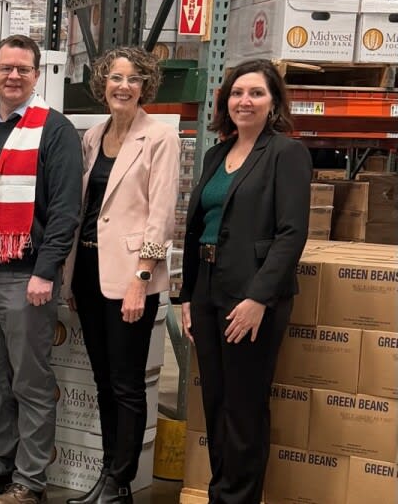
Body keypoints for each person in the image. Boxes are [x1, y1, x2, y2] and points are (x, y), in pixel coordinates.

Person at [0, 34, 82, 504]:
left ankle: (30, 482)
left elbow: (65, 210)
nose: (13, 76)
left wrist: (46, 271)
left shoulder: (55, 130)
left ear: (36, 75)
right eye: (5, 67)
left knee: (31, 384)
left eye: (23, 69)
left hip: (27, 277)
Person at [180, 59, 310, 504]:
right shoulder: (217, 154)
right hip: (207, 287)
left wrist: (259, 298)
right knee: (216, 403)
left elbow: (291, 233)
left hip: (251, 294)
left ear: (273, 102)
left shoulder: (286, 154)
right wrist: (187, 295)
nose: (244, 101)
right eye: (237, 93)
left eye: (256, 93)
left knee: (244, 407)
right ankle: (221, 494)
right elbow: (199, 227)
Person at [61, 47, 179, 504]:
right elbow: (88, 208)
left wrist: (142, 278)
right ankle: (109, 476)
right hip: (90, 272)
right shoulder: (93, 136)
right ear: (102, 84)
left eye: (133, 79)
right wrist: (71, 276)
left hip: (132, 278)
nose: (123, 86)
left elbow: (161, 217)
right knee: (104, 381)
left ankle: (119, 480)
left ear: (145, 85)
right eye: (115, 78)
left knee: (127, 385)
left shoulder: (160, 137)